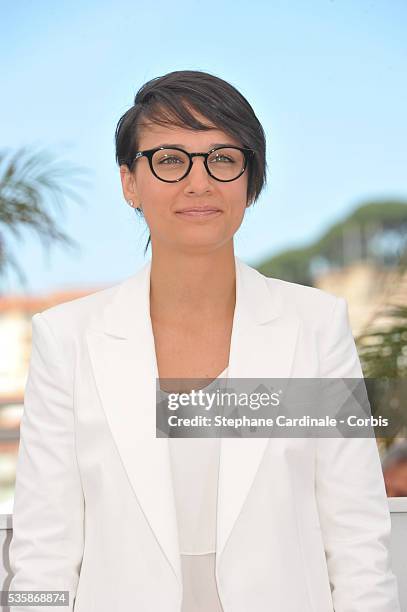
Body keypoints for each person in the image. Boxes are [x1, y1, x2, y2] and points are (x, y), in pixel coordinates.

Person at [7, 70, 400, 612]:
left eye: (222, 157)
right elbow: (44, 547)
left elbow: (355, 532)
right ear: (129, 183)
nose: (199, 182)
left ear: (249, 179)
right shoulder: (68, 339)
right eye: (169, 159)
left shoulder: (315, 326)